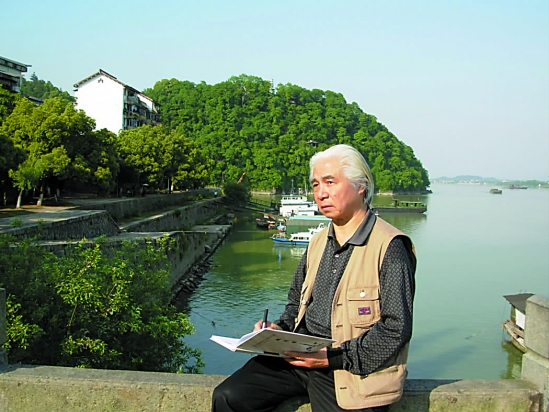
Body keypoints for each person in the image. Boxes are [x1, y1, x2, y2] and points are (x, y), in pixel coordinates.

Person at [212, 144, 416, 412]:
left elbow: (396, 328)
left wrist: (332, 358)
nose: (321, 193)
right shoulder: (317, 242)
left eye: (330, 182)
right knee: (228, 397)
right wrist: (278, 329)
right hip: (299, 356)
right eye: (316, 184)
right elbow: (295, 304)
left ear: (361, 186)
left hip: (349, 368)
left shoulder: (390, 246)